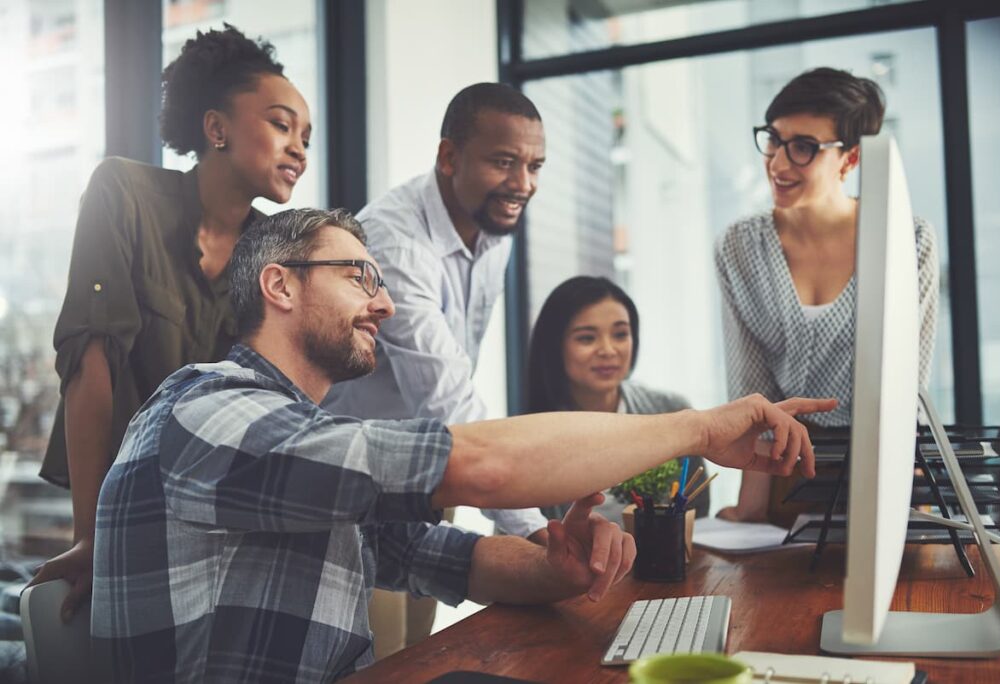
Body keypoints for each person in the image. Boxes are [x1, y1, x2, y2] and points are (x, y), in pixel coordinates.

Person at [91, 207, 834, 683]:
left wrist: (558, 567)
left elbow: (448, 557)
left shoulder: (297, 438)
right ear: (279, 287)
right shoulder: (206, 410)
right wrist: (701, 428)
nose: (383, 302)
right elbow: (479, 464)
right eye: (360, 277)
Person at [29, 24, 313, 620]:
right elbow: (90, 363)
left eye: (306, 137)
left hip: (214, 518)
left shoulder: (275, 252)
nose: (299, 150)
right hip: (117, 500)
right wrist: (91, 536)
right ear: (217, 129)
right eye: (282, 124)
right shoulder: (124, 193)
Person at [322, 82, 550, 649]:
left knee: (420, 649)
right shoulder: (395, 245)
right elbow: (447, 397)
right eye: (504, 162)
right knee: (380, 657)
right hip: (358, 479)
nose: (523, 184)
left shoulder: (493, 227)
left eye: (534, 165)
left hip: (425, 465)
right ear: (449, 157)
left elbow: (458, 364)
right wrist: (537, 530)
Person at [714, 67, 938, 524]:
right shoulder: (739, 246)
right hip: (784, 468)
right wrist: (750, 509)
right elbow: (751, 397)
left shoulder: (906, 240)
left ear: (850, 159)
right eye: (773, 140)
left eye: (803, 148)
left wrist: (907, 496)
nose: (778, 163)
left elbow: (907, 388)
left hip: (882, 467)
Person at [526, 276, 709, 524]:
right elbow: (515, 533)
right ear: (555, 346)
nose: (608, 350)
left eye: (620, 334)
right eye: (587, 338)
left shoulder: (672, 412)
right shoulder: (530, 435)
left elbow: (697, 516)